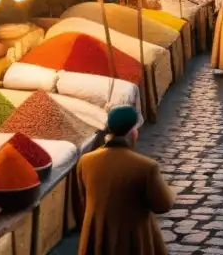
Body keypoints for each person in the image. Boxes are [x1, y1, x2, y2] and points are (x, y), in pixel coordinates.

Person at [75, 104, 175, 255]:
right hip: (134, 240)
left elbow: (82, 201)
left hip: (98, 240)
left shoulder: (86, 161)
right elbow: (163, 205)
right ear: (132, 132)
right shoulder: (146, 167)